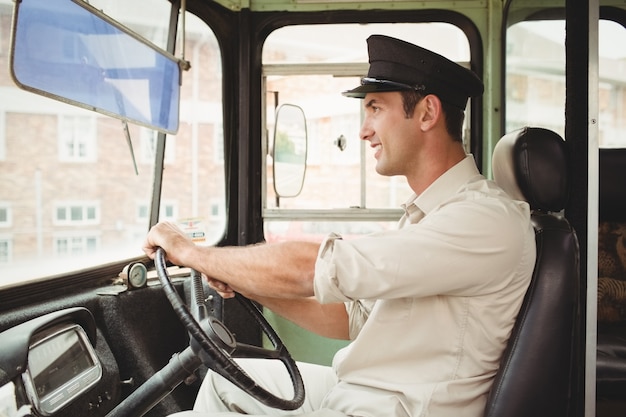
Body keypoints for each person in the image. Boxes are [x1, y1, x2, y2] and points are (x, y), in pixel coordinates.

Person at [143, 34, 536, 417]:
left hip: (394, 406)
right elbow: (354, 318)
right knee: (224, 379)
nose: (364, 129)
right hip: (363, 389)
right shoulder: (430, 213)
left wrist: (193, 253)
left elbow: (313, 267)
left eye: (376, 108)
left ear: (427, 113)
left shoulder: (482, 220)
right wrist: (247, 282)